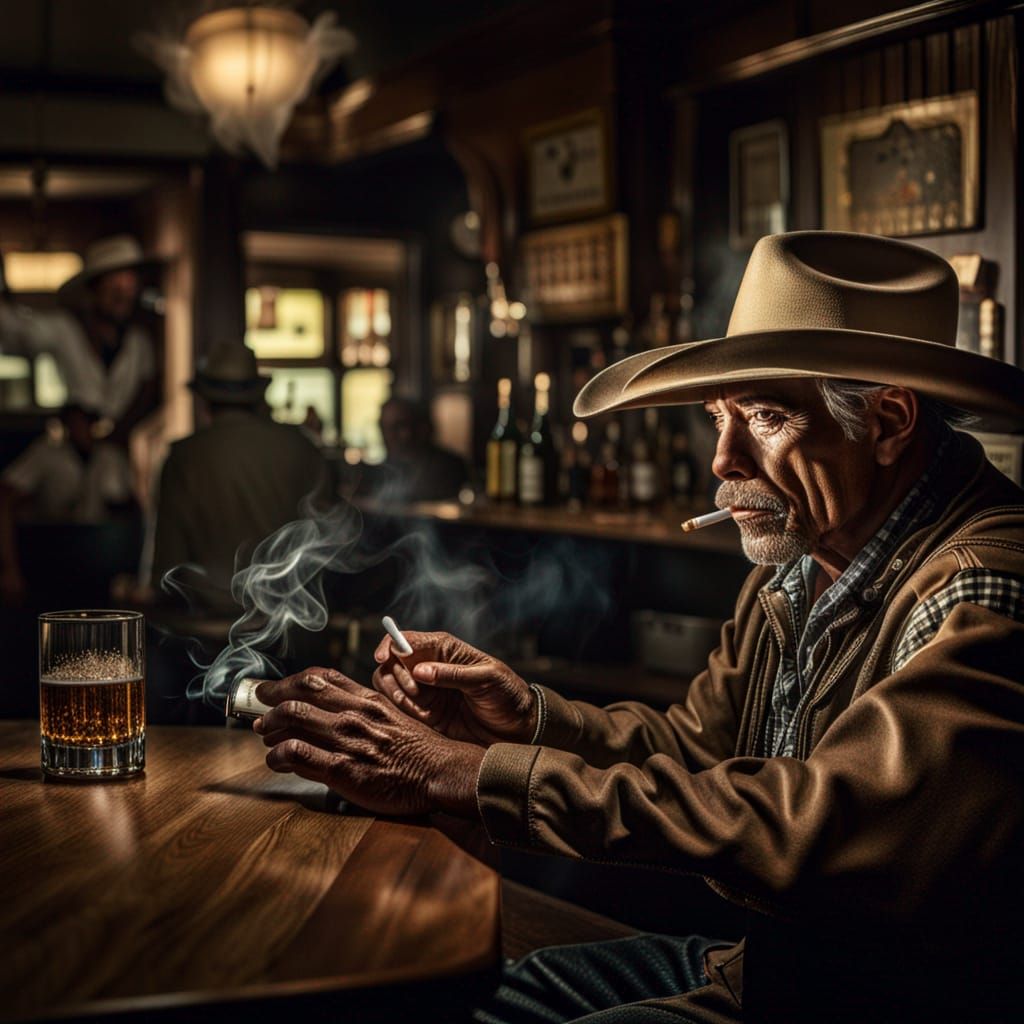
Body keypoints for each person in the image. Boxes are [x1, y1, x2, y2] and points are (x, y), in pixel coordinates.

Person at [243, 233, 1024, 1022]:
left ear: (888, 422)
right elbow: (695, 751)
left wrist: (468, 774)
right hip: (772, 971)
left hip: (876, 1004)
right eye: (722, 417)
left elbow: (810, 824)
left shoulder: (984, 586)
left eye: (764, 416)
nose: (723, 459)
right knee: (477, 999)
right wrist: (525, 719)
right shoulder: (799, 563)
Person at [146, 341, 327, 614]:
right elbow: (328, 545)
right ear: (259, 398)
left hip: (204, 626)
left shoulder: (182, 457)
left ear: (204, 402)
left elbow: (167, 567)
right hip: (288, 622)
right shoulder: (301, 448)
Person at [0, 234, 160, 450]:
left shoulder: (139, 344)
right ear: (95, 290)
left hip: (118, 454)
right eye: (114, 288)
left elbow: (146, 393)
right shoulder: (65, 329)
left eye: (128, 287)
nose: (123, 296)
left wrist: (119, 433)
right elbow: (18, 330)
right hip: (69, 450)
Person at [0, 405, 134, 605]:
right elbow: (7, 495)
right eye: (74, 423)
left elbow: (125, 505)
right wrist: (9, 567)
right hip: (53, 551)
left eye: (85, 423)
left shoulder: (110, 457)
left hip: (100, 554)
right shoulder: (46, 453)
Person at [370, 395, 470, 502]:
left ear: (420, 427)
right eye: (385, 428)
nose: (390, 435)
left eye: (398, 426)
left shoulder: (447, 467)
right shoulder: (384, 470)